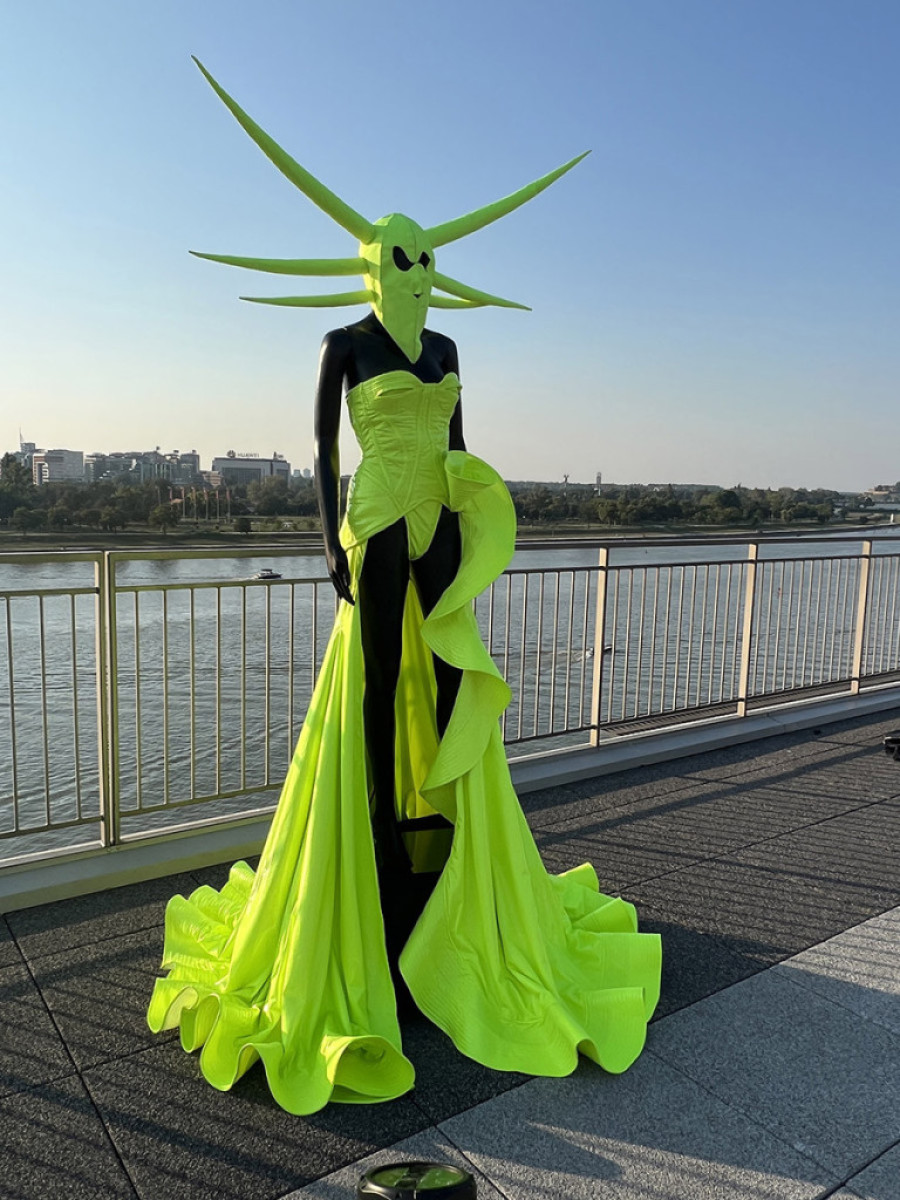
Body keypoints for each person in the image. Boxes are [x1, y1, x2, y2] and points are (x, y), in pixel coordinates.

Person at [147, 59, 662, 1116]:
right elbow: (320, 450)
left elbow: (462, 445)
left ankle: (451, 821)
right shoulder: (342, 342)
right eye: (399, 255)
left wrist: (477, 522)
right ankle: (380, 827)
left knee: (451, 666)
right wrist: (325, 543)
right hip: (378, 514)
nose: (416, 269)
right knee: (379, 680)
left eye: (426, 257)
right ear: (371, 264)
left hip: (438, 517)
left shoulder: (451, 344)